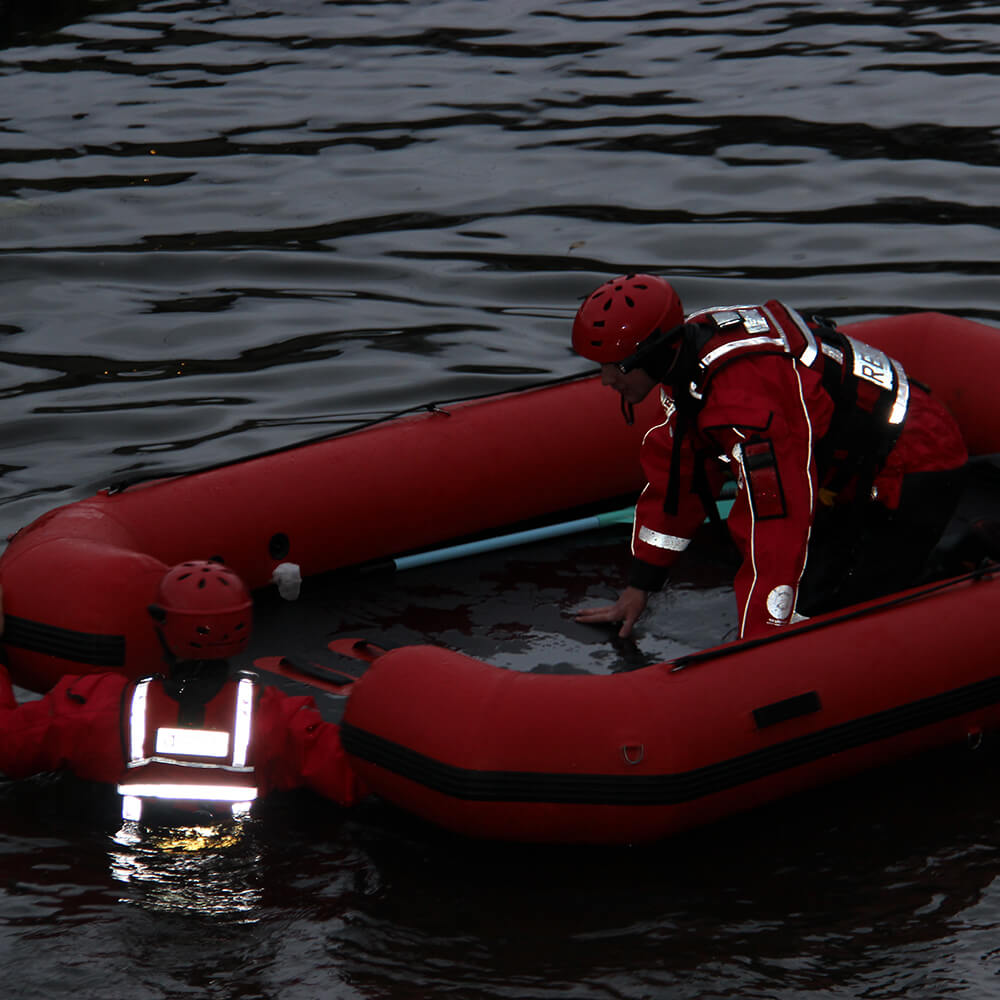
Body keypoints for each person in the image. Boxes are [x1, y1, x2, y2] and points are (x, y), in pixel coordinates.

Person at [572, 274, 969, 640]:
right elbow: (678, 482)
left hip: (917, 457)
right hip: (845, 466)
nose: (607, 380)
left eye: (617, 367)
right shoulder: (690, 360)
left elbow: (776, 518)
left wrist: (760, 640)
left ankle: (969, 561)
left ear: (657, 353)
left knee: (856, 611)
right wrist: (640, 587)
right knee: (814, 592)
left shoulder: (745, 402)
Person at [0, 561, 367, 826]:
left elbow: (7, 745)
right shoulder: (280, 721)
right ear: (245, 627)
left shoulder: (92, 709)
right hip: (235, 874)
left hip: (131, 874)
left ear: (160, 624)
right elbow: (355, 777)